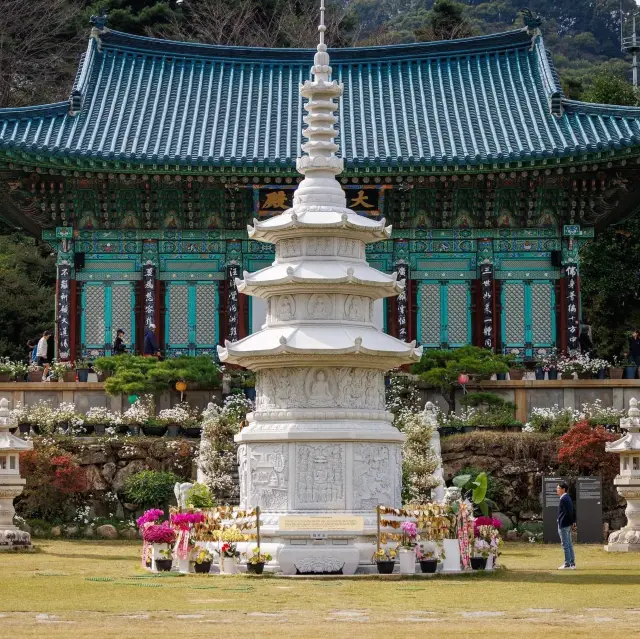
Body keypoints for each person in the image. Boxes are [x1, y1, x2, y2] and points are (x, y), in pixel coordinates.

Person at [557, 481, 576, 570]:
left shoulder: (564, 499)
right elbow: (573, 510)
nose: (557, 490)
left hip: (564, 524)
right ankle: (572, 563)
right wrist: (573, 522)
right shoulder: (567, 498)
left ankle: (567, 564)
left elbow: (569, 512)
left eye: (558, 488)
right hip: (567, 524)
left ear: (563, 489)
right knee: (569, 544)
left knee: (565, 544)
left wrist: (572, 522)